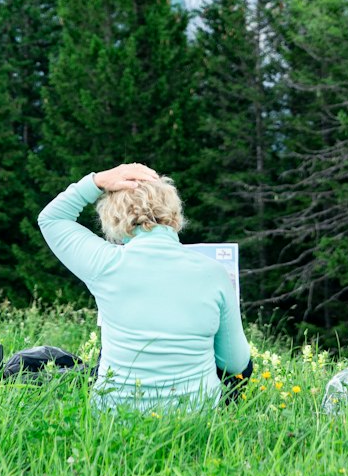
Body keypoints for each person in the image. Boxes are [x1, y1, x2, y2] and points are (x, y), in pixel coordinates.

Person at [37, 163, 252, 410]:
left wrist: (98, 181)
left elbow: (51, 218)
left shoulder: (105, 263)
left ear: (114, 218)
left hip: (114, 415)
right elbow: (235, 364)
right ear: (174, 214)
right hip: (196, 416)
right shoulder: (214, 272)